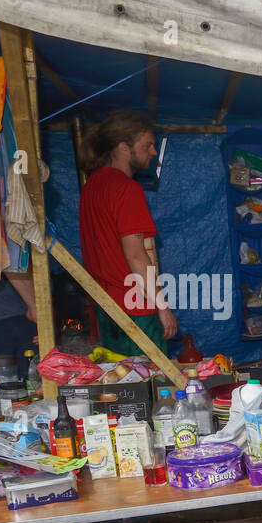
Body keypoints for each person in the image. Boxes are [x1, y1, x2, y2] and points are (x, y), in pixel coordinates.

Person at [77, 109, 176, 357]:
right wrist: (162, 306)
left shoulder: (93, 186)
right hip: (135, 306)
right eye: (148, 145)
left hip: (105, 307)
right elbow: (135, 254)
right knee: (153, 384)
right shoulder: (126, 188)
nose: (153, 152)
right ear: (123, 148)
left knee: (122, 385)